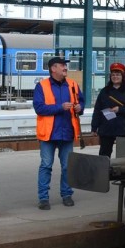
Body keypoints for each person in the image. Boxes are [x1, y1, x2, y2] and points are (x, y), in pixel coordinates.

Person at [33, 55, 83, 210]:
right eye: (62, 65)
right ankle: (43, 198)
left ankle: (67, 194)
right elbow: (39, 108)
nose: (65, 68)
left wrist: (79, 107)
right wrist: (60, 107)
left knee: (67, 166)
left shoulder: (73, 84)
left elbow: (81, 101)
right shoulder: (41, 86)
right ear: (53, 68)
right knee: (46, 165)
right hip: (48, 134)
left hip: (67, 132)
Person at [91, 62, 125, 157]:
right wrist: (94, 127)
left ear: (122, 76)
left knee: (124, 156)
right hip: (106, 129)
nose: (115, 77)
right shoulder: (104, 91)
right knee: (104, 155)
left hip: (123, 129)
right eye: (113, 75)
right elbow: (97, 110)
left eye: (118, 75)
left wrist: (120, 109)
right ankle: (104, 171)